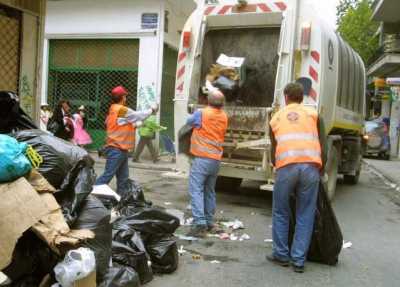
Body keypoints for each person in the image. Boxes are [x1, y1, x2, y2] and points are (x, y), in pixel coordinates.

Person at [267, 83, 326, 273]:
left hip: (286, 167)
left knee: (281, 211)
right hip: (310, 168)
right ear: (303, 97)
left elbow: (273, 148)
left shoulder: (276, 117)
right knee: (305, 213)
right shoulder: (314, 115)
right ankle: (299, 260)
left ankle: (281, 254)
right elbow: (322, 143)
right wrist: (320, 169)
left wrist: (277, 166)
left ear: (285, 97)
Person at [95, 86, 158, 195]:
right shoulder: (121, 109)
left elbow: (124, 124)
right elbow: (137, 115)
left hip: (121, 150)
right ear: (123, 97)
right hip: (116, 149)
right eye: (125, 96)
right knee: (107, 176)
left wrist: (140, 124)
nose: (126, 98)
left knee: (123, 179)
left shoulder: (113, 109)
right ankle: (90, 195)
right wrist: (151, 110)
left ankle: (121, 202)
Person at [186, 90, 228, 238]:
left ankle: (199, 223)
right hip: (215, 158)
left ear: (207, 100)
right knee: (209, 191)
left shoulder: (201, 113)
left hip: (202, 158)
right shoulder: (223, 116)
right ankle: (209, 221)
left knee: (196, 189)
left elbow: (188, 121)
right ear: (222, 103)